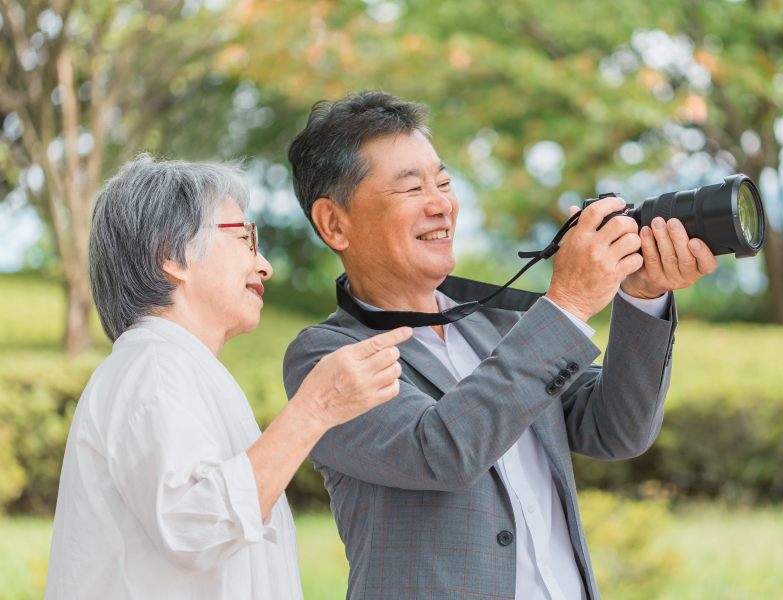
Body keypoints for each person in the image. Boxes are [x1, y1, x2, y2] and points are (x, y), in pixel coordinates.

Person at [283, 90, 718, 600]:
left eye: (444, 182)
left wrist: (643, 297)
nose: (441, 204)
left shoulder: (499, 323)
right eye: (411, 189)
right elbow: (439, 451)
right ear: (335, 223)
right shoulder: (328, 356)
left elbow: (617, 431)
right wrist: (569, 303)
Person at [44, 155, 412, 600]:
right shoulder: (155, 367)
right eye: (244, 238)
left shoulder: (176, 367)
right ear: (171, 255)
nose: (265, 266)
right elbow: (195, 525)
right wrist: (315, 408)